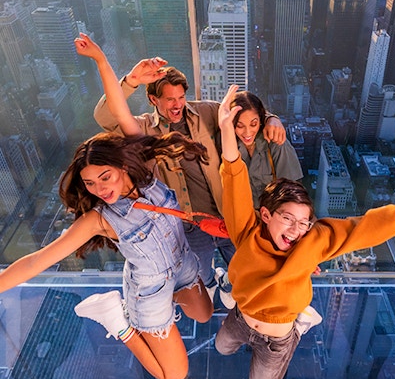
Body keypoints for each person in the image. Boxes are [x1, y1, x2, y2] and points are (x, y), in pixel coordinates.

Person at [215, 84, 395, 379]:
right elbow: (233, 175)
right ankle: (243, 321)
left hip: (277, 338)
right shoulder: (246, 230)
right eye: (288, 219)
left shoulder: (312, 242)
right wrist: (225, 129)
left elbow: (365, 228)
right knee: (221, 346)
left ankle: (296, 329)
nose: (296, 230)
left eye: (304, 222)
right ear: (265, 214)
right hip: (241, 316)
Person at [0, 48, 214, 379]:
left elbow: (119, 109)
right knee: (175, 374)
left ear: (122, 166)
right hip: (150, 290)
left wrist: (102, 61)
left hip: (182, 262)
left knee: (205, 313)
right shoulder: (100, 219)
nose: (100, 189)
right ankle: (117, 319)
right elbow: (37, 261)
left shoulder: (145, 167)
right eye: (90, 184)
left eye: (105, 177)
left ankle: (169, 299)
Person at [92, 40, 286, 299]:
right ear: (153, 99)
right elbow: (104, 117)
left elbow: (246, 112)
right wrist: (131, 81)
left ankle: (231, 286)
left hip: (228, 214)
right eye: (169, 99)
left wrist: (272, 118)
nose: (177, 105)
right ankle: (213, 285)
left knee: (247, 267)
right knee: (200, 274)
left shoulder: (207, 111)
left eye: (181, 97)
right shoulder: (143, 128)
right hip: (190, 225)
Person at [230, 90, 303, 209]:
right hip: (242, 215)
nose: (247, 132)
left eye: (253, 124)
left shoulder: (275, 143)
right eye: (240, 126)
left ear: (261, 120)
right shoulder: (227, 145)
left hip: (273, 215)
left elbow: (293, 192)